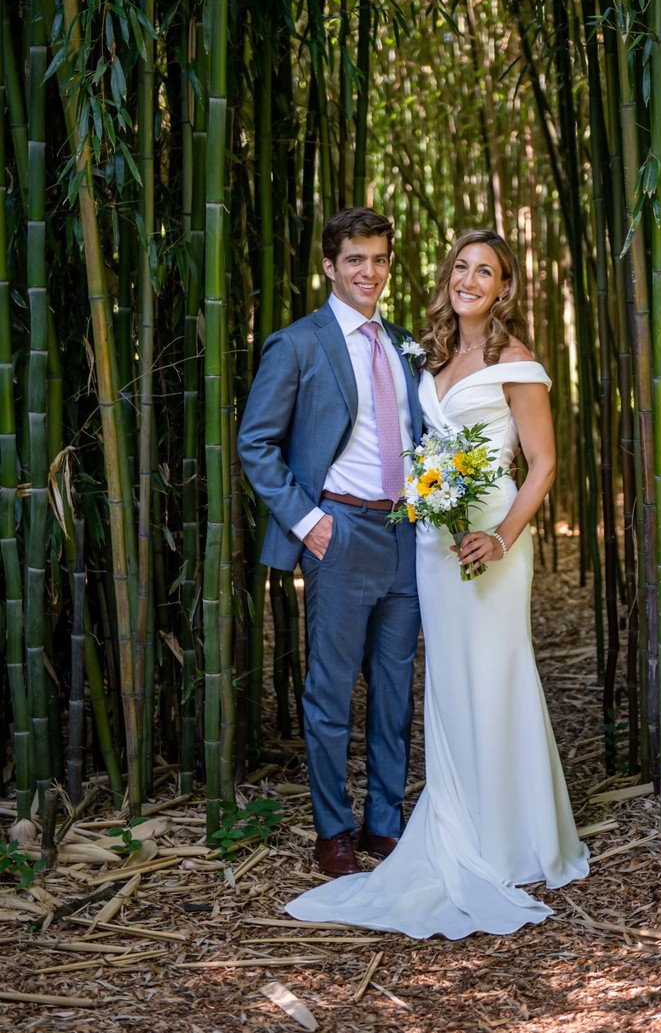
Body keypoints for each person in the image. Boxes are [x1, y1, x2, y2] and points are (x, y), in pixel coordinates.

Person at [286, 229, 589, 938]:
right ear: (447, 274)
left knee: (498, 671)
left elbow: (542, 463)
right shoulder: (428, 351)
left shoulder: (517, 361)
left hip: (492, 540)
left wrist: (504, 535)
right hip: (431, 542)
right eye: (462, 265)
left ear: (505, 287)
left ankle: (513, 834)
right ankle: (462, 813)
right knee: (449, 683)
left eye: (486, 271)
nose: (470, 279)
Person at [238, 207, 422, 878]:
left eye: (378, 259)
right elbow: (255, 444)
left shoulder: (406, 345)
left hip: (404, 533)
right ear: (328, 266)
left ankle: (384, 823)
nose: (368, 271)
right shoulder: (299, 343)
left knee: (396, 691)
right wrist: (307, 520)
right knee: (329, 691)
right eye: (354, 260)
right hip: (338, 532)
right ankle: (332, 832)